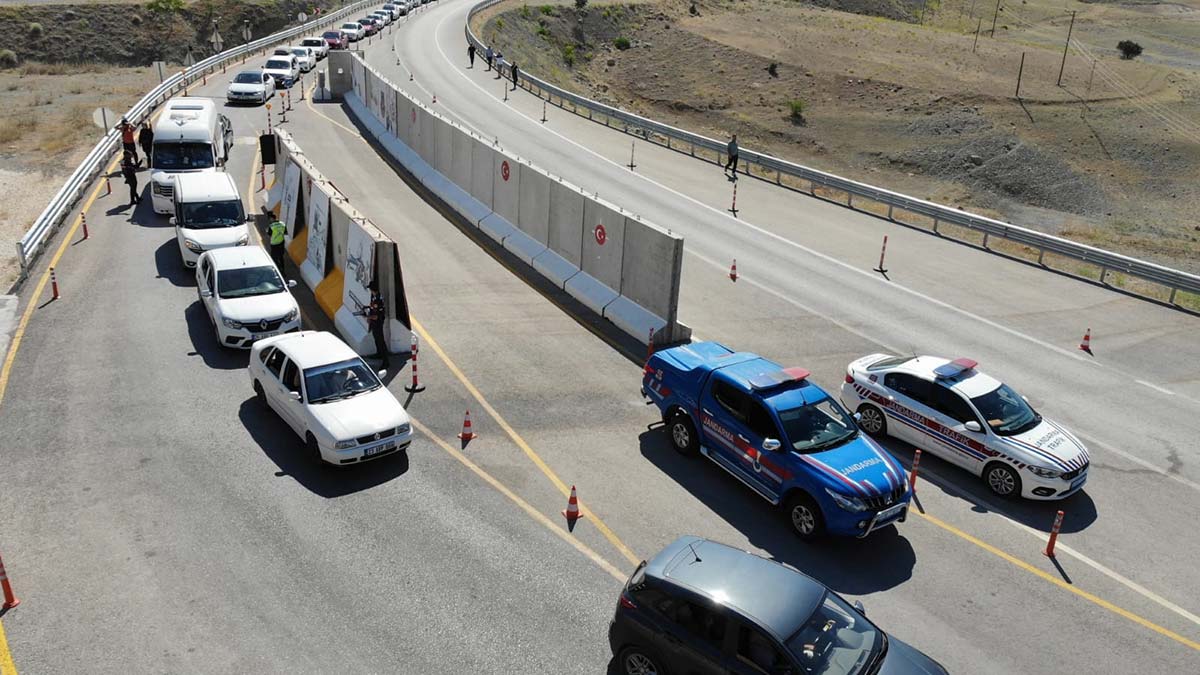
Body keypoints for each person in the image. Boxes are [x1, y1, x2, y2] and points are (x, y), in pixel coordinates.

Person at [365, 289, 389, 368]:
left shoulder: (378, 300)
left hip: (378, 323)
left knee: (380, 341)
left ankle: (386, 361)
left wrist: (368, 317)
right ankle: (379, 354)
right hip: (375, 323)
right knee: (376, 338)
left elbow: (376, 316)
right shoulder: (374, 297)